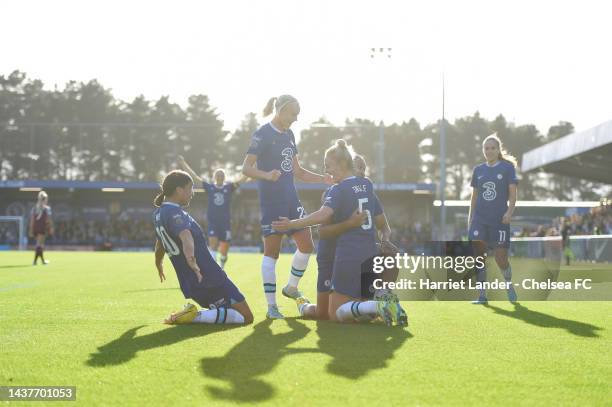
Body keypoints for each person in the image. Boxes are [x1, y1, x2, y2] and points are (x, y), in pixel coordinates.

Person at [272, 139, 407, 327]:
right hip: (336, 256)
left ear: (346, 165)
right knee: (324, 313)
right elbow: (324, 232)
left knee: (335, 314)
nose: (326, 170)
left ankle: (380, 302)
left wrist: (291, 224)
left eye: (328, 166)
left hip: (346, 256)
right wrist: (351, 223)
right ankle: (299, 298)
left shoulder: (339, 189)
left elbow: (322, 216)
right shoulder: (366, 186)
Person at [241, 95, 332, 319]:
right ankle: (272, 308)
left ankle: (291, 287)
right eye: (293, 113)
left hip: (292, 199)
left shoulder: (290, 135)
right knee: (272, 253)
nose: (296, 118)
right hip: (272, 202)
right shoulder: (262, 133)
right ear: (280, 111)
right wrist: (266, 175)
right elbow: (246, 168)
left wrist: (325, 179)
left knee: (307, 245)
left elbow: (298, 172)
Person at [153, 170, 253, 325]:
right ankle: (193, 316)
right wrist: (192, 262)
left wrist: (158, 263)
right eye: (190, 188)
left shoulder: (158, 214)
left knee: (230, 313)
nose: (192, 193)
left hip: (193, 281)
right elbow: (186, 236)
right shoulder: (174, 212)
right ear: (179, 190)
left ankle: (195, 315)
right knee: (246, 317)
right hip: (208, 277)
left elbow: (160, 243)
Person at [468, 133, 518, 304]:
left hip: (499, 221)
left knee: (500, 258)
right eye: (486, 148)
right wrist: (470, 220)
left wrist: (509, 212)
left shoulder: (507, 168)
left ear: (498, 150)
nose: (489, 151)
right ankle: (482, 295)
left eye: (492, 148)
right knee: (478, 257)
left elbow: (513, 195)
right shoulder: (478, 170)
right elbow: (474, 198)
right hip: (480, 220)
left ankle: (509, 284)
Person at [178, 156, 247, 269]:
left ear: (224, 177)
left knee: (224, 249)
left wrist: (252, 169)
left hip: (225, 222)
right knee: (213, 245)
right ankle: (215, 270)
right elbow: (194, 178)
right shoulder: (209, 187)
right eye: (218, 175)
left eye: (221, 175)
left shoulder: (229, 187)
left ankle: (222, 264)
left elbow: (241, 180)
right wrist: (183, 163)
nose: (219, 177)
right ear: (215, 177)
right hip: (213, 221)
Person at [29, 190, 53, 265]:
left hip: (36, 228)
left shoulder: (34, 208)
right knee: (39, 244)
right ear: (45, 199)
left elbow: (32, 220)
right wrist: (51, 228)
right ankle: (35, 261)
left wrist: (31, 230)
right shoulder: (47, 209)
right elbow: (48, 220)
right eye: (46, 199)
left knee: (40, 244)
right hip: (42, 228)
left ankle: (42, 261)